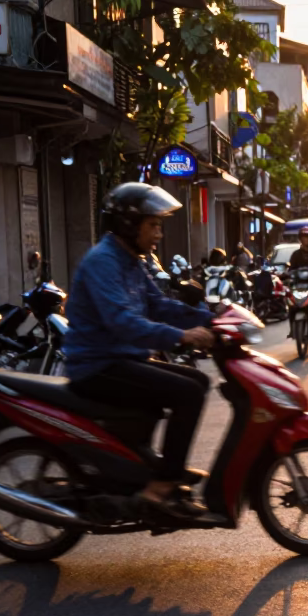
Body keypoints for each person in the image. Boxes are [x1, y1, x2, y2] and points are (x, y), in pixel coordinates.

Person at [65, 183, 216, 519]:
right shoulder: (103, 262)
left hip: (122, 359)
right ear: (129, 226)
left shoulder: (132, 260)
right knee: (188, 392)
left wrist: (214, 317)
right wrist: (182, 336)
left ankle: (148, 465)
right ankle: (161, 485)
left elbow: (158, 304)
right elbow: (123, 322)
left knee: (198, 382)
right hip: (98, 366)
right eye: (153, 225)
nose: (159, 234)